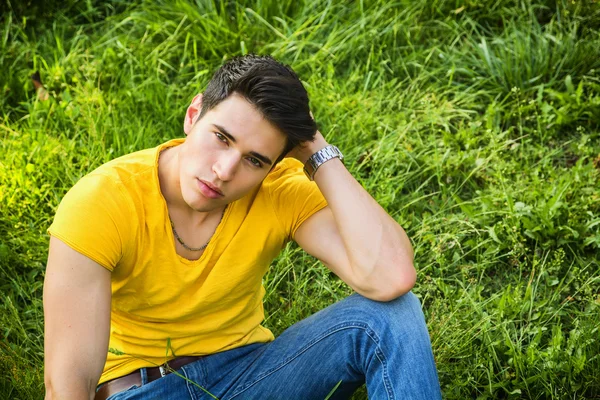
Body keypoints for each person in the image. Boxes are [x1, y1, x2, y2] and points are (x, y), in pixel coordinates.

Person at [43, 54, 442, 400]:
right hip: (147, 387)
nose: (224, 171)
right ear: (193, 114)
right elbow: (68, 385)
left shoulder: (280, 188)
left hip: (252, 376)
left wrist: (318, 153)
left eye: (255, 160)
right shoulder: (102, 201)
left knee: (391, 315)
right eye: (220, 137)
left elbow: (392, 276)